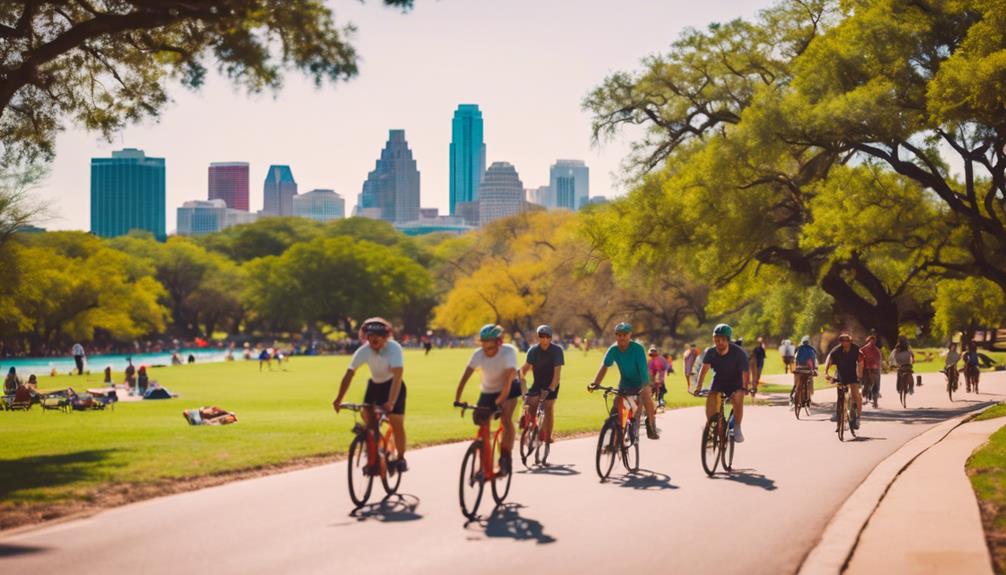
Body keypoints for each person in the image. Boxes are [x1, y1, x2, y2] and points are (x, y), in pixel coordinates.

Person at [333, 317, 408, 472]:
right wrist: (338, 399)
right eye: (370, 336)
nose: (373, 339)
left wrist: (391, 402)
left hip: (394, 385)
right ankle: (374, 453)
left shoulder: (394, 348)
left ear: (385, 337)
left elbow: (398, 375)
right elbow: (349, 374)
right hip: (375, 386)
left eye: (377, 336)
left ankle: (401, 458)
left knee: (396, 422)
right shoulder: (364, 351)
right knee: (368, 420)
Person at [454, 324, 521, 475]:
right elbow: (464, 378)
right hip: (488, 390)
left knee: (506, 418)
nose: (486, 347)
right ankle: (484, 466)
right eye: (483, 343)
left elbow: (509, 380)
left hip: (509, 389)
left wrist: (499, 402)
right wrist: (457, 399)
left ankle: (505, 458)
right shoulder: (478, 354)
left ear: (499, 342)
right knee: (481, 422)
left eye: (489, 344)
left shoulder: (508, 352)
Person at [591, 322, 660, 440]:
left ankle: (651, 426)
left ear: (630, 335)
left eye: (624, 335)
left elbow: (643, 371)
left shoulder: (638, 349)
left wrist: (645, 387)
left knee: (646, 398)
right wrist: (595, 383)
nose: (621, 337)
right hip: (625, 382)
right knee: (616, 403)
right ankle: (613, 436)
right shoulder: (613, 349)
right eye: (618, 335)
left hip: (641, 381)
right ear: (615, 336)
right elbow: (605, 366)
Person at [694, 324, 750, 442]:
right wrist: (698, 387)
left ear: (728, 340)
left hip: (735, 382)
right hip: (719, 380)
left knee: (737, 399)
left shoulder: (739, 353)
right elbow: (703, 370)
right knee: (711, 397)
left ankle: (737, 427)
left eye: (722, 340)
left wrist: (745, 387)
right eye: (716, 340)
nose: (719, 343)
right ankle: (711, 426)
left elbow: (745, 372)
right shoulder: (711, 352)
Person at [518, 324, 564, 446]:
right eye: (541, 337)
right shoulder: (533, 351)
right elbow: (523, 369)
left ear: (551, 338)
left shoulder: (557, 351)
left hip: (551, 383)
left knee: (548, 407)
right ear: (538, 337)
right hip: (537, 383)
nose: (544, 340)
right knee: (529, 405)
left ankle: (547, 436)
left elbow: (557, 374)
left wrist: (551, 388)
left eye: (547, 337)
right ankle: (531, 428)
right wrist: (521, 382)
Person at [824, 334, 864, 430]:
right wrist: (826, 373)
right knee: (840, 399)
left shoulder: (856, 349)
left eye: (846, 341)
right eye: (842, 341)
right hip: (840, 376)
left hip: (852, 376)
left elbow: (861, 362)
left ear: (850, 341)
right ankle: (840, 423)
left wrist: (860, 374)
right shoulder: (836, 351)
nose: (844, 343)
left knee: (856, 395)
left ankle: (858, 417)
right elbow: (829, 360)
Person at [792, 336, 819, 404]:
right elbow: (815, 361)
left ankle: (797, 394)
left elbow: (795, 360)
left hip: (799, 368)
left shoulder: (798, 349)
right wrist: (815, 369)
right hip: (808, 369)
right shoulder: (812, 349)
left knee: (797, 380)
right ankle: (809, 397)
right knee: (810, 380)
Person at [861, 335, 882, 408]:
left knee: (865, 384)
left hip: (868, 369)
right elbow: (879, 361)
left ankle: (866, 398)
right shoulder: (877, 350)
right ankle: (875, 401)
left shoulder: (863, 349)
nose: (871, 343)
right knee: (876, 385)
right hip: (873, 369)